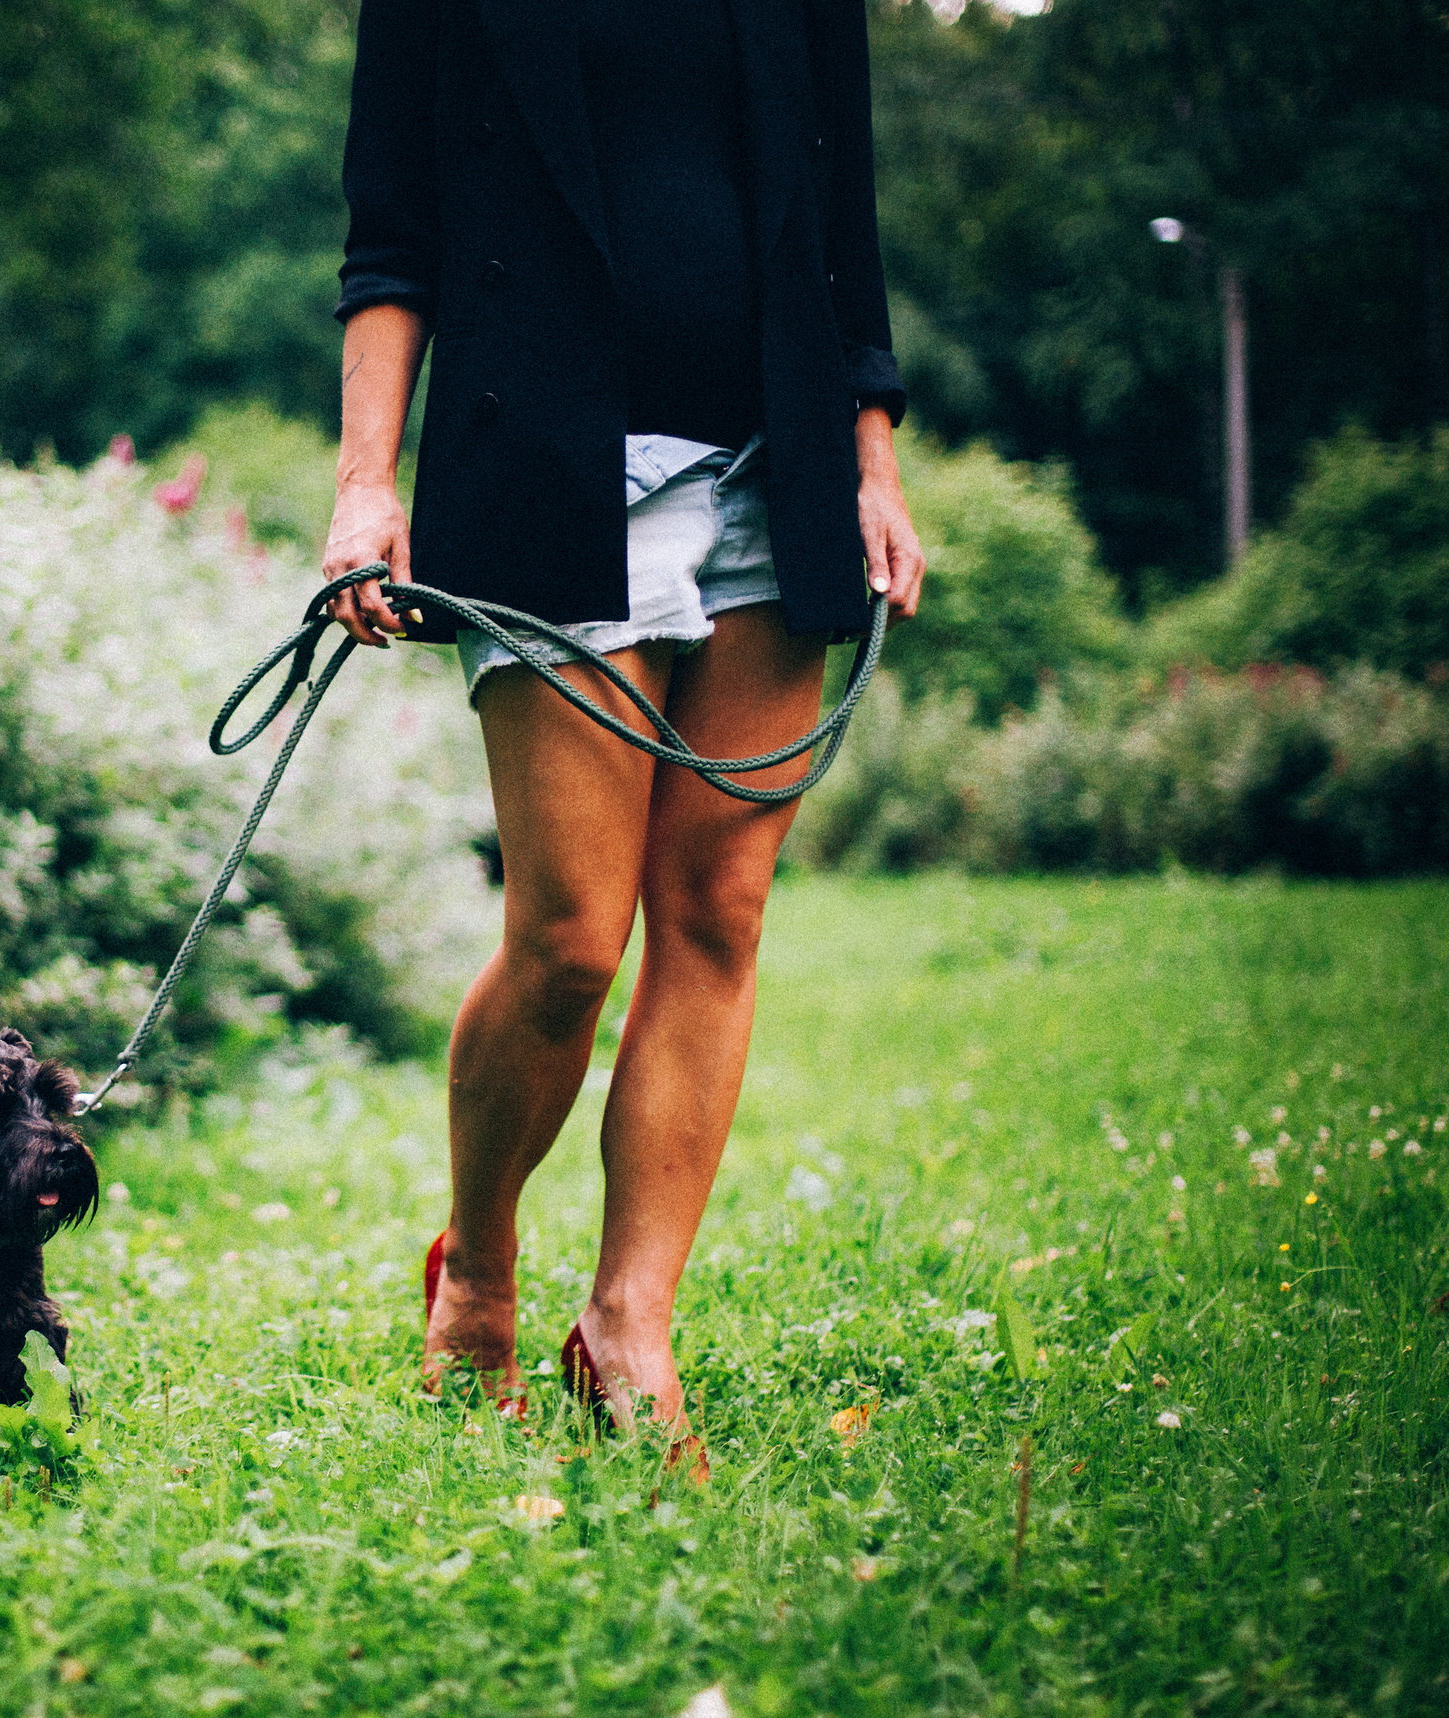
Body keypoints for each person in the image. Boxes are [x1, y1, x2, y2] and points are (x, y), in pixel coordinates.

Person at [321, 0, 925, 1480]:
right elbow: (392, 237)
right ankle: (477, 1274)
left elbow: (841, 215)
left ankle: (630, 1320)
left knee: (717, 909)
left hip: (773, 468)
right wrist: (362, 486)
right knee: (571, 938)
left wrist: (871, 459)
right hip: (541, 460)